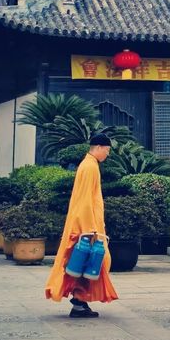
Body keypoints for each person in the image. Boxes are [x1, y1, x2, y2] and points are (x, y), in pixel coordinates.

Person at [44, 133, 118, 318]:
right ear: (99, 147)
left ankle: (80, 302)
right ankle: (78, 302)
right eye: (107, 151)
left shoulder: (89, 165)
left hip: (86, 222)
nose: (107, 155)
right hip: (85, 224)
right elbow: (85, 200)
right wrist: (90, 229)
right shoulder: (90, 166)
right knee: (87, 262)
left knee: (86, 263)